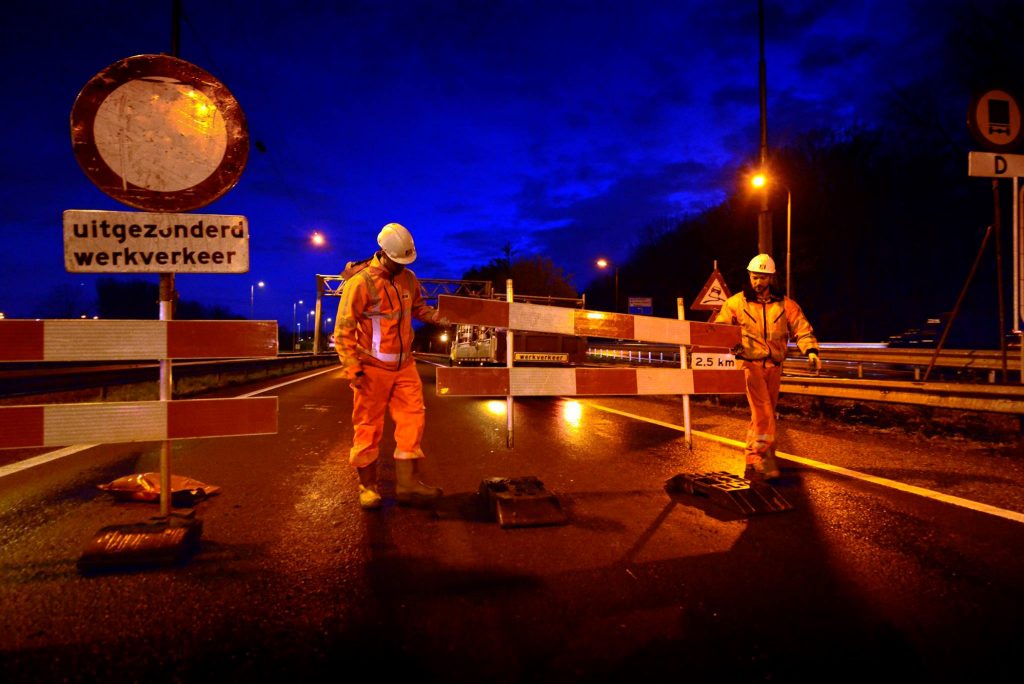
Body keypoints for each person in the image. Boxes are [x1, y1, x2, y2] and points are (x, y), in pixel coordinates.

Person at [334, 222, 446, 509]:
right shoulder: (360, 283)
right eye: (398, 261)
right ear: (384, 253)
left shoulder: (408, 278)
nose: (401, 266)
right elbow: (343, 329)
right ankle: (367, 488)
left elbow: (420, 308)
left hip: (405, 365)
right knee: (368, 427)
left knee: (413, 420)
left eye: (405, 261)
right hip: (371, 368)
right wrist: (352, 367)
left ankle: (408, 485)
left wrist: (441, 317)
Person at [714, 254, 820, 481]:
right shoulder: (735, 303)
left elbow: (802, 329)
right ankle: (763, 458)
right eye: (754, 277)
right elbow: (719, 330)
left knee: (763, 413)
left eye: (762, 278)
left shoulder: (786, 305)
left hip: (774, 367)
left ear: (771, 278)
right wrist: (732, 346)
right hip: (749, 364)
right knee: (763, 411)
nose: (758, 282)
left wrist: (811, 351)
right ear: (749, 277)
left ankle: (753, 455)